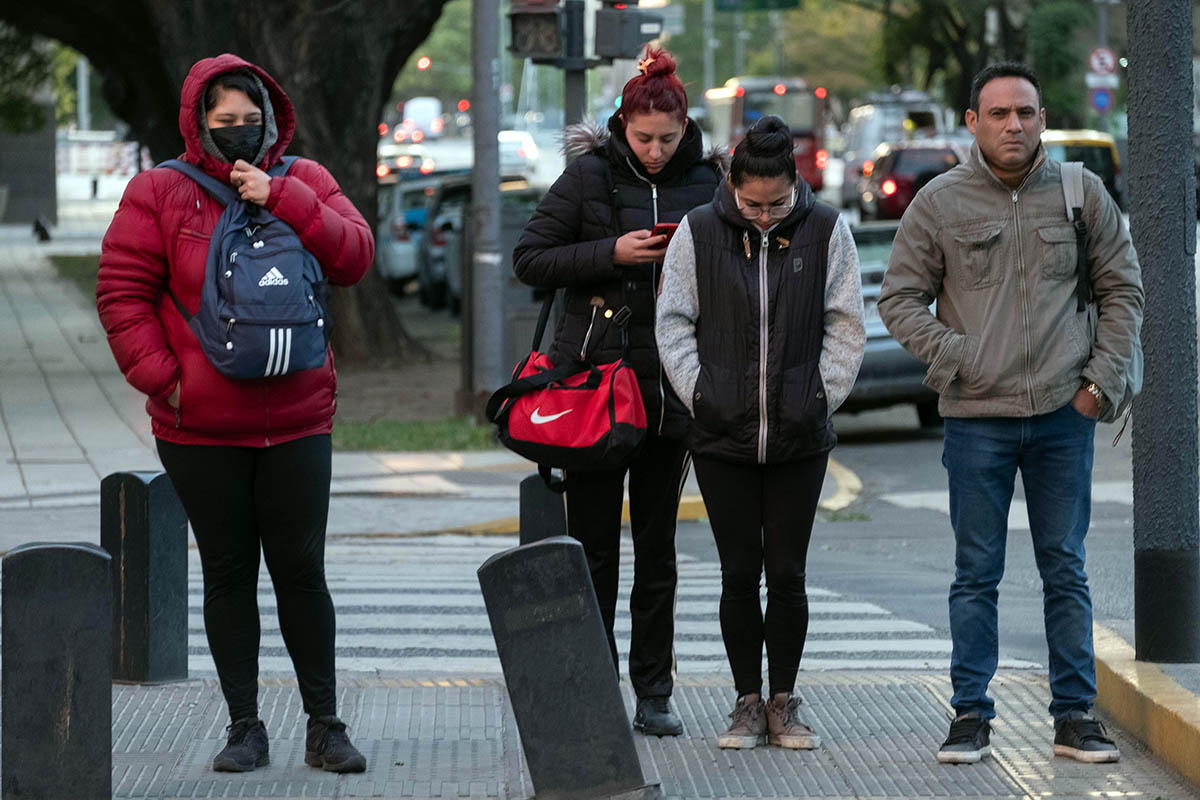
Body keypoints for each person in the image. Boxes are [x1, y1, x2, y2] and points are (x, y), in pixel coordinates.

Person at [96, 54, 373, 774]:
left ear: (271, 120)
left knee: (301, 570)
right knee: (227, 572)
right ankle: (244, 726)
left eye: (252, 122)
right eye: (225, 124)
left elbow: (354, 257)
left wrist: (280, 196)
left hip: (299, 417)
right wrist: (167, 381)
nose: (241, 134)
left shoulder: (305, 181)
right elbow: (122, 294)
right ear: (199, 124)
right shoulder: (159, 191)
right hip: (200, 427)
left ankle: (325, 725)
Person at [877, 62, 1143, 765]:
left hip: (1063, 413)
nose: (1013, 125)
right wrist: (956, 356)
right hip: (975, 417)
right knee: (976, 572)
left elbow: (1125, 292)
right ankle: (970, 715)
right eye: (998, 113)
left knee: (1066, 567)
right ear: (973, 122)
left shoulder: (1082, 195)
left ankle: (1075, 716)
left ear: (1043, 118)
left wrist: (1097, 385)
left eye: (1025, 111)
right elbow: (899, 298)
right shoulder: (939, 202)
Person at [512, 47, 724, 737]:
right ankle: (591, 683)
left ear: (685, 126)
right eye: (643, 139)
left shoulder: (711, 181)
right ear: (621, 126)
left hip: (670, 391)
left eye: (667, 138)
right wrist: (612, 253)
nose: (656, 152)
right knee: (593, 547)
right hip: (596, 392)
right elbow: (530, 259)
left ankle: (653, 690)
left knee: (658, 550)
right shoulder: (587, 177)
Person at [656, 115, 865, 750]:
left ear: (794, 186)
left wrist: (819, 396)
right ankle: (746, 702)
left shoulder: (828, 230)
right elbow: (673, 322)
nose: (766, 215)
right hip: (722, 435)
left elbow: (847, 323)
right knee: (738, 574)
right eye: (752, 204)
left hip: (801, 436)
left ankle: (785, 702)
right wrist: (702, 393)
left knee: (790, 574)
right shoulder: (698, 232)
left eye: (777, 204)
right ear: (732, 186)